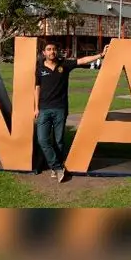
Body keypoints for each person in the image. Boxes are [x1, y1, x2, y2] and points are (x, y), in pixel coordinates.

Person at [34, 41, 107, 182]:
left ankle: (57, 168)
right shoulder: (39, 68)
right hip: (44, 109)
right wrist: (36, 107)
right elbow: (37, 87)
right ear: (44, 53)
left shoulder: (64, 65)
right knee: (42, 139)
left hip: (60, 108)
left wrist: (101, 55)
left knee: (59, 140)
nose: (52, 52)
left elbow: (82, 60)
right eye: (48, 49)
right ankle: (57, 167)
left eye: (54, 49)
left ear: (57, 51)